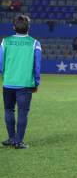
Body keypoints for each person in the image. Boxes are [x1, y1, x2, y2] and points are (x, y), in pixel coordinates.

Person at [1, 14, 41, 149]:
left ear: (13, 27)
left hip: (8, 83)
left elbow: (1, 64)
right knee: (22, 112)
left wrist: (5, 76)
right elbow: (37, 66)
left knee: (8, 110)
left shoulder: (5, 42)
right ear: (29, 27)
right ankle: (18, 141)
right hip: (25, 84)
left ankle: (12, 138)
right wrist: (36, 82)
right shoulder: (35, 43)